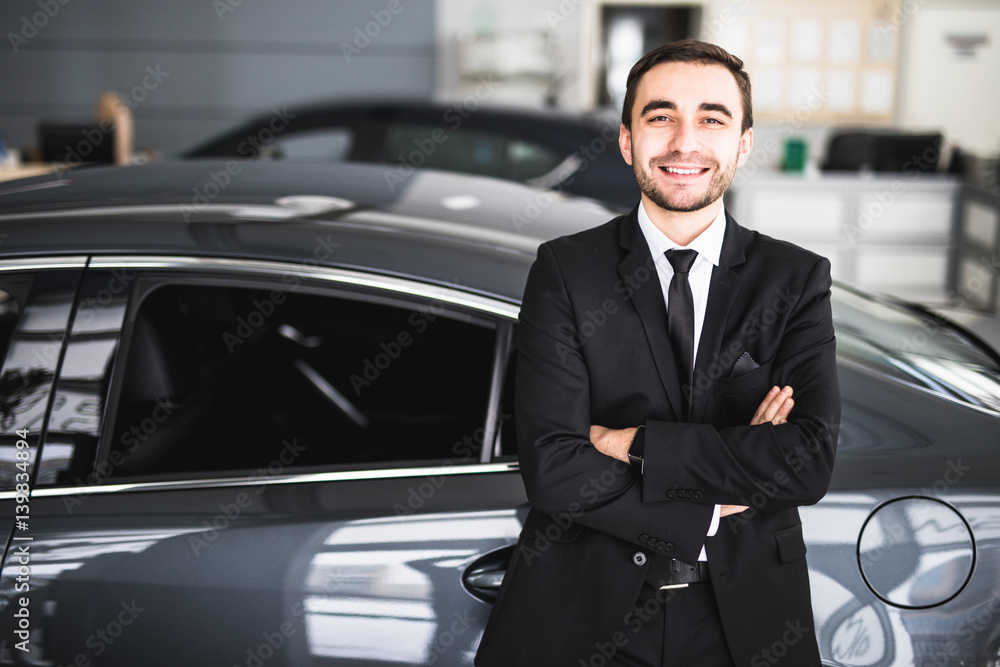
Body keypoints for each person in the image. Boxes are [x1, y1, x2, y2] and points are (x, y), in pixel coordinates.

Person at [474, 39, 840, 666]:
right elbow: (554, 468)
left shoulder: (796, 278)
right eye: (661, 115)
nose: (684, 142)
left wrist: (636, 443)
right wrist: (715, 503)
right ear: (627, 140)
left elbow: (806, 461)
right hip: (585, 615)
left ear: (744, 143)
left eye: (712, 119)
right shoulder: (566, 271)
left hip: (747, 623)